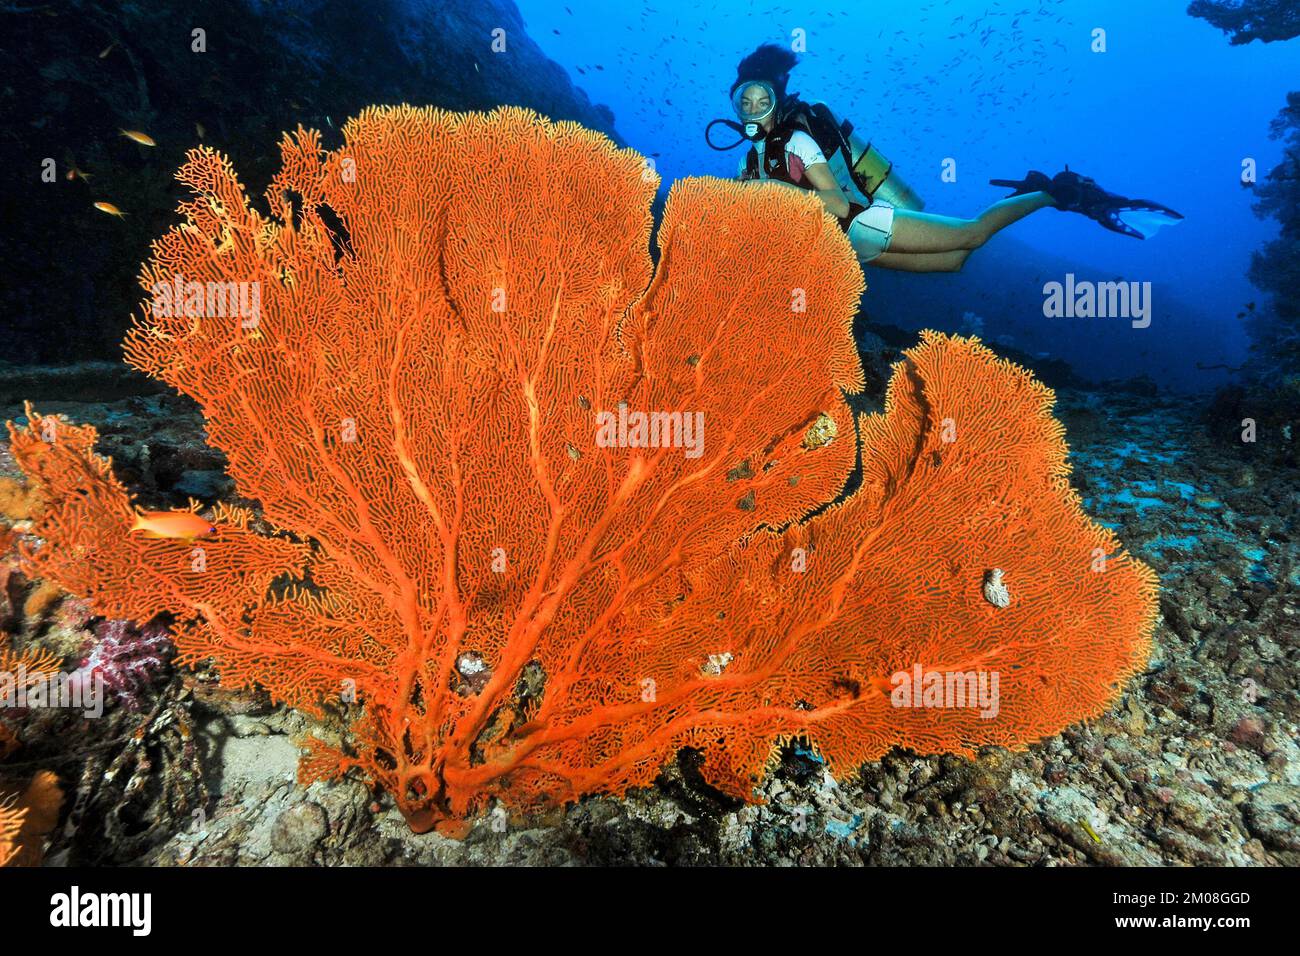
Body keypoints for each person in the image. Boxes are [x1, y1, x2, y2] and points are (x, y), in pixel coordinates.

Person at [714, 45, 1182, 273]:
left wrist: (771, 192)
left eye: (760, 98)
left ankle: (1054, 191)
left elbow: (834, 205)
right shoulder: (747, 163)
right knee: (954, 262)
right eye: (744, 101)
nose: (751, 108)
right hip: (846, 250)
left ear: (776, 99)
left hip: (860, 223)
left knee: (972, 233)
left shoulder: (797, 142)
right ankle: (1049, 192)